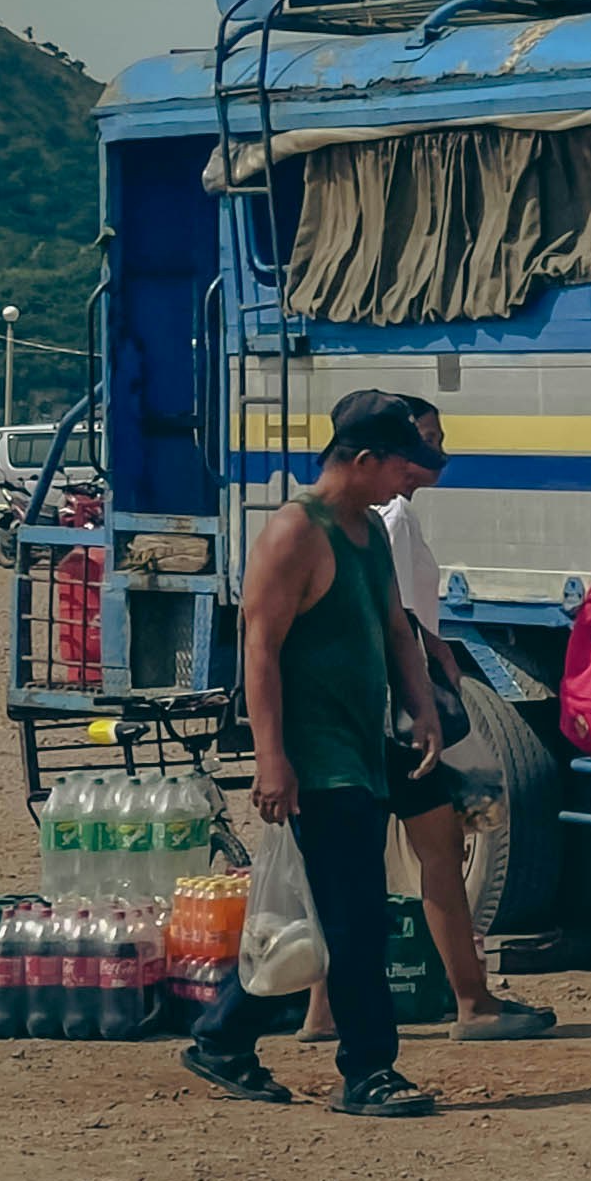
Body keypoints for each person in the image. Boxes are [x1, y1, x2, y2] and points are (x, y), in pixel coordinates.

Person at [182, 390, 451, 1118]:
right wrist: (272, 760)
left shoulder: (369, 531)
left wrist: (421, 706)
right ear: (362, 460)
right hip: (317, 758)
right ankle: (368, 1070)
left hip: (363, 750)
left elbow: (397, 628)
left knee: (334, 914)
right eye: (401, 464)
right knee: (355, 916)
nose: (408, 478)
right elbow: (259, 651)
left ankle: (223, 1037)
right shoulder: (295, 533)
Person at [296, 398, 557, 1045]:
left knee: (348, 869)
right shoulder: (389, 520)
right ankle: (471, 1000)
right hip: (393, 712)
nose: (433, 459)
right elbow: (401, 621)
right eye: (425, 443)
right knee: (440, 851)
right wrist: (430, 685)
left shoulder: (346, 518)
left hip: (364, 711)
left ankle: (321, 1008)